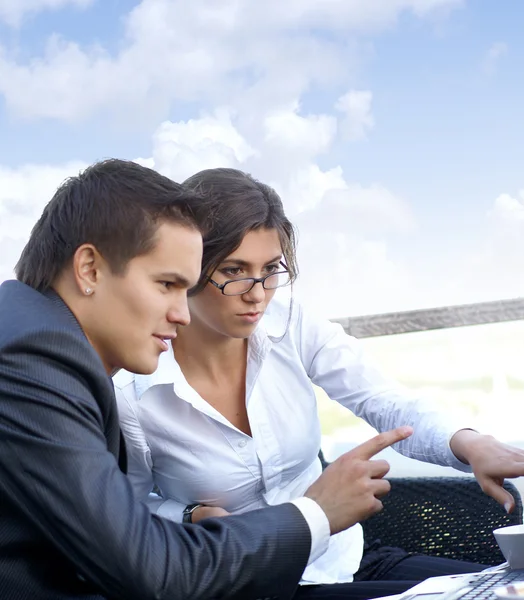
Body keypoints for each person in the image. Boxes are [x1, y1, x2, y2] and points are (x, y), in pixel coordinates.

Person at [0, 158, 414, 600]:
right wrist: (315, 512)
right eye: (167, 284)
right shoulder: (31, 360)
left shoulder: (37, 339)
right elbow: (155, 572)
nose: (181, 314)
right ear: (90, 269)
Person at [114, 167, 524, 600]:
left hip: (340, 560)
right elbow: (124, 515)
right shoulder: (135, 389)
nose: (257, 293)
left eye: (271, 269)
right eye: (235, 270)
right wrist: (188, 514)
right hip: (246, 582)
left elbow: (383, 400)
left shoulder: (289, 322)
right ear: (190, 268)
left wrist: (467, 443)